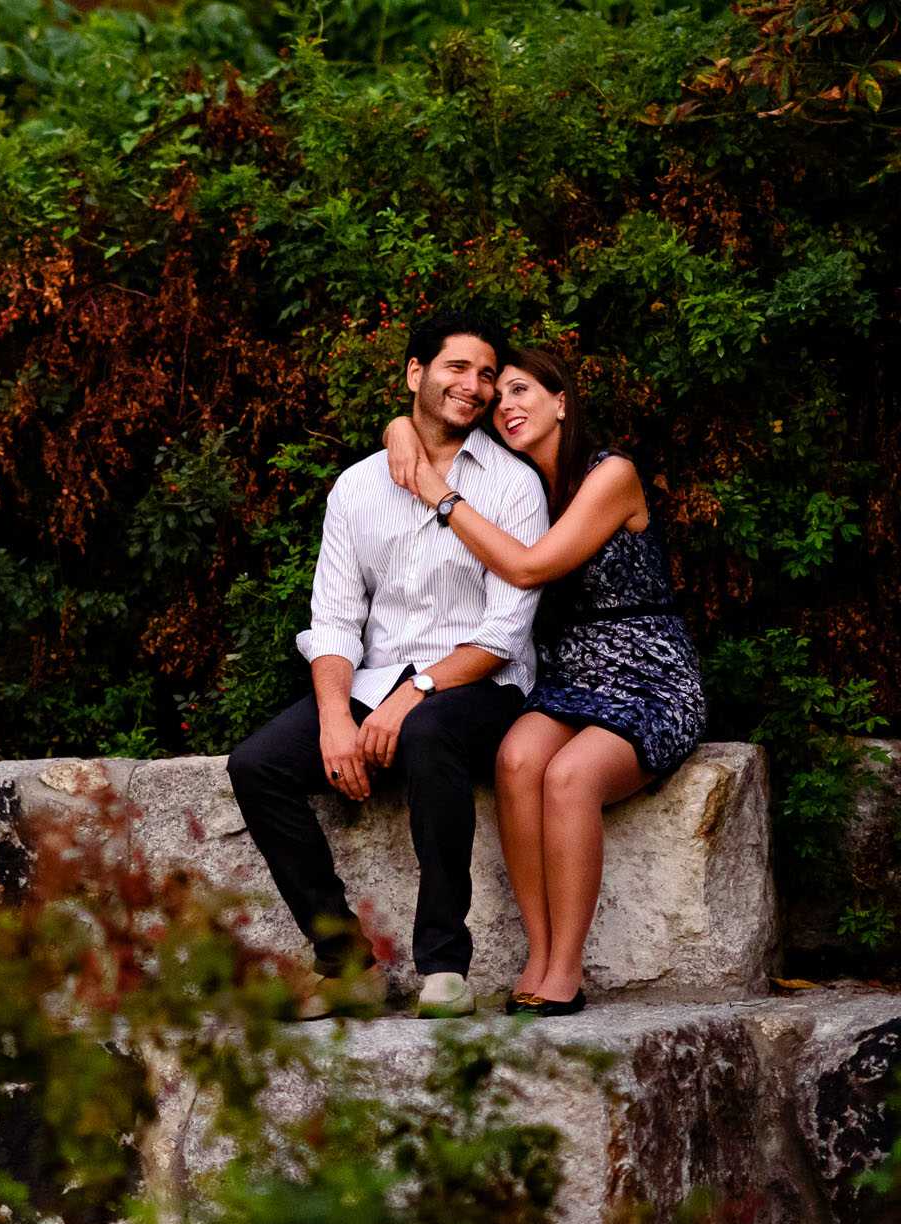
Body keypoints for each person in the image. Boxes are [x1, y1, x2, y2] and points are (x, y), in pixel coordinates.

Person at [225, 311, 548, 1020]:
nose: (474, 384)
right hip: (375, 683)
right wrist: (337, 717)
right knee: (258, 764)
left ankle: (443, 966)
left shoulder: (514, 485)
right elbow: (336, 620)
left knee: (430, 731)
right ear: (415, 374)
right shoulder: (357, 488)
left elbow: (504, 629)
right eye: (457, 367)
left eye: (487, 373)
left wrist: (417, 692)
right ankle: (345, 963)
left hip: (482, 685)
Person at [381, 347, 705, 1017]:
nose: (508, 407)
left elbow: (529, 569)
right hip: (569, 673)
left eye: (524, 391)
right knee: (517, 757)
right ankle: (537, 949)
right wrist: (399, 429)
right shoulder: (520, 485)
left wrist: (441, 498)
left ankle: (566, 966)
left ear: (563, 401)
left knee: (569, 777)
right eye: (500, 402)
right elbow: (421, 426)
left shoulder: (611, 474)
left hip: (648, 673)